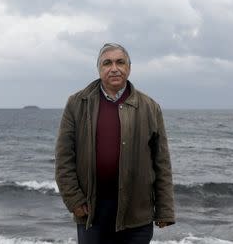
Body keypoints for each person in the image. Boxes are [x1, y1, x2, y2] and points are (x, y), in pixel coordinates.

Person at [55, 43, 175, 244]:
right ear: (99, 69)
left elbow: (161, 163)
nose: (114, 68)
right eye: (107, 63)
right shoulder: (76, 104)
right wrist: (73, 200)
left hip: (137, 214)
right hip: (91, 213)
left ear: (129, 67)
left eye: (120, 62)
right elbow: (63, 158)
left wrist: (165, 210)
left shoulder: (150, 107)